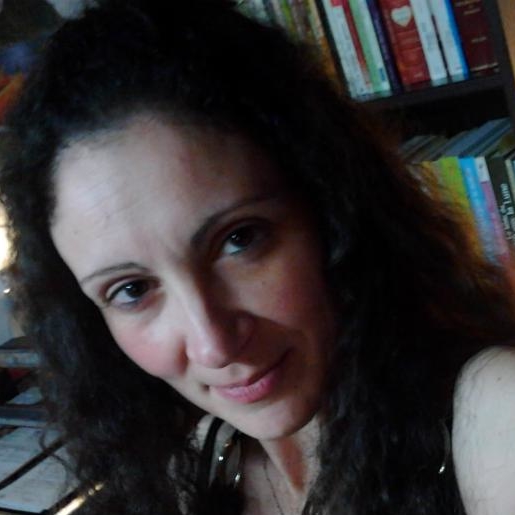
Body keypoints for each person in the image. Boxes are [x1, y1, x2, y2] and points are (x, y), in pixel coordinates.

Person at [1, 1, 515, 514]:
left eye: (240, 240)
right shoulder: (204, 459)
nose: (213, 345)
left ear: (331, 207)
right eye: (132, 290)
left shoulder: (491, 413)